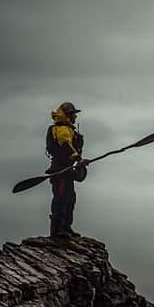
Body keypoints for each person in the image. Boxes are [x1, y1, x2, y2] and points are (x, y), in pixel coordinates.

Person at [45, 101, 88, 238]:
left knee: (70, 199)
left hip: (67, 171)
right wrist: (77, 158)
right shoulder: (59, 130)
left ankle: (66, 227)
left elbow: (73, 151)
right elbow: (65, 147)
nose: (75, 117)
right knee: (61, 199)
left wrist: (79, 161)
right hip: (60, 172)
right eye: (73, 114)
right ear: (68, 115)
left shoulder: (69, 131)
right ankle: (58, 230)